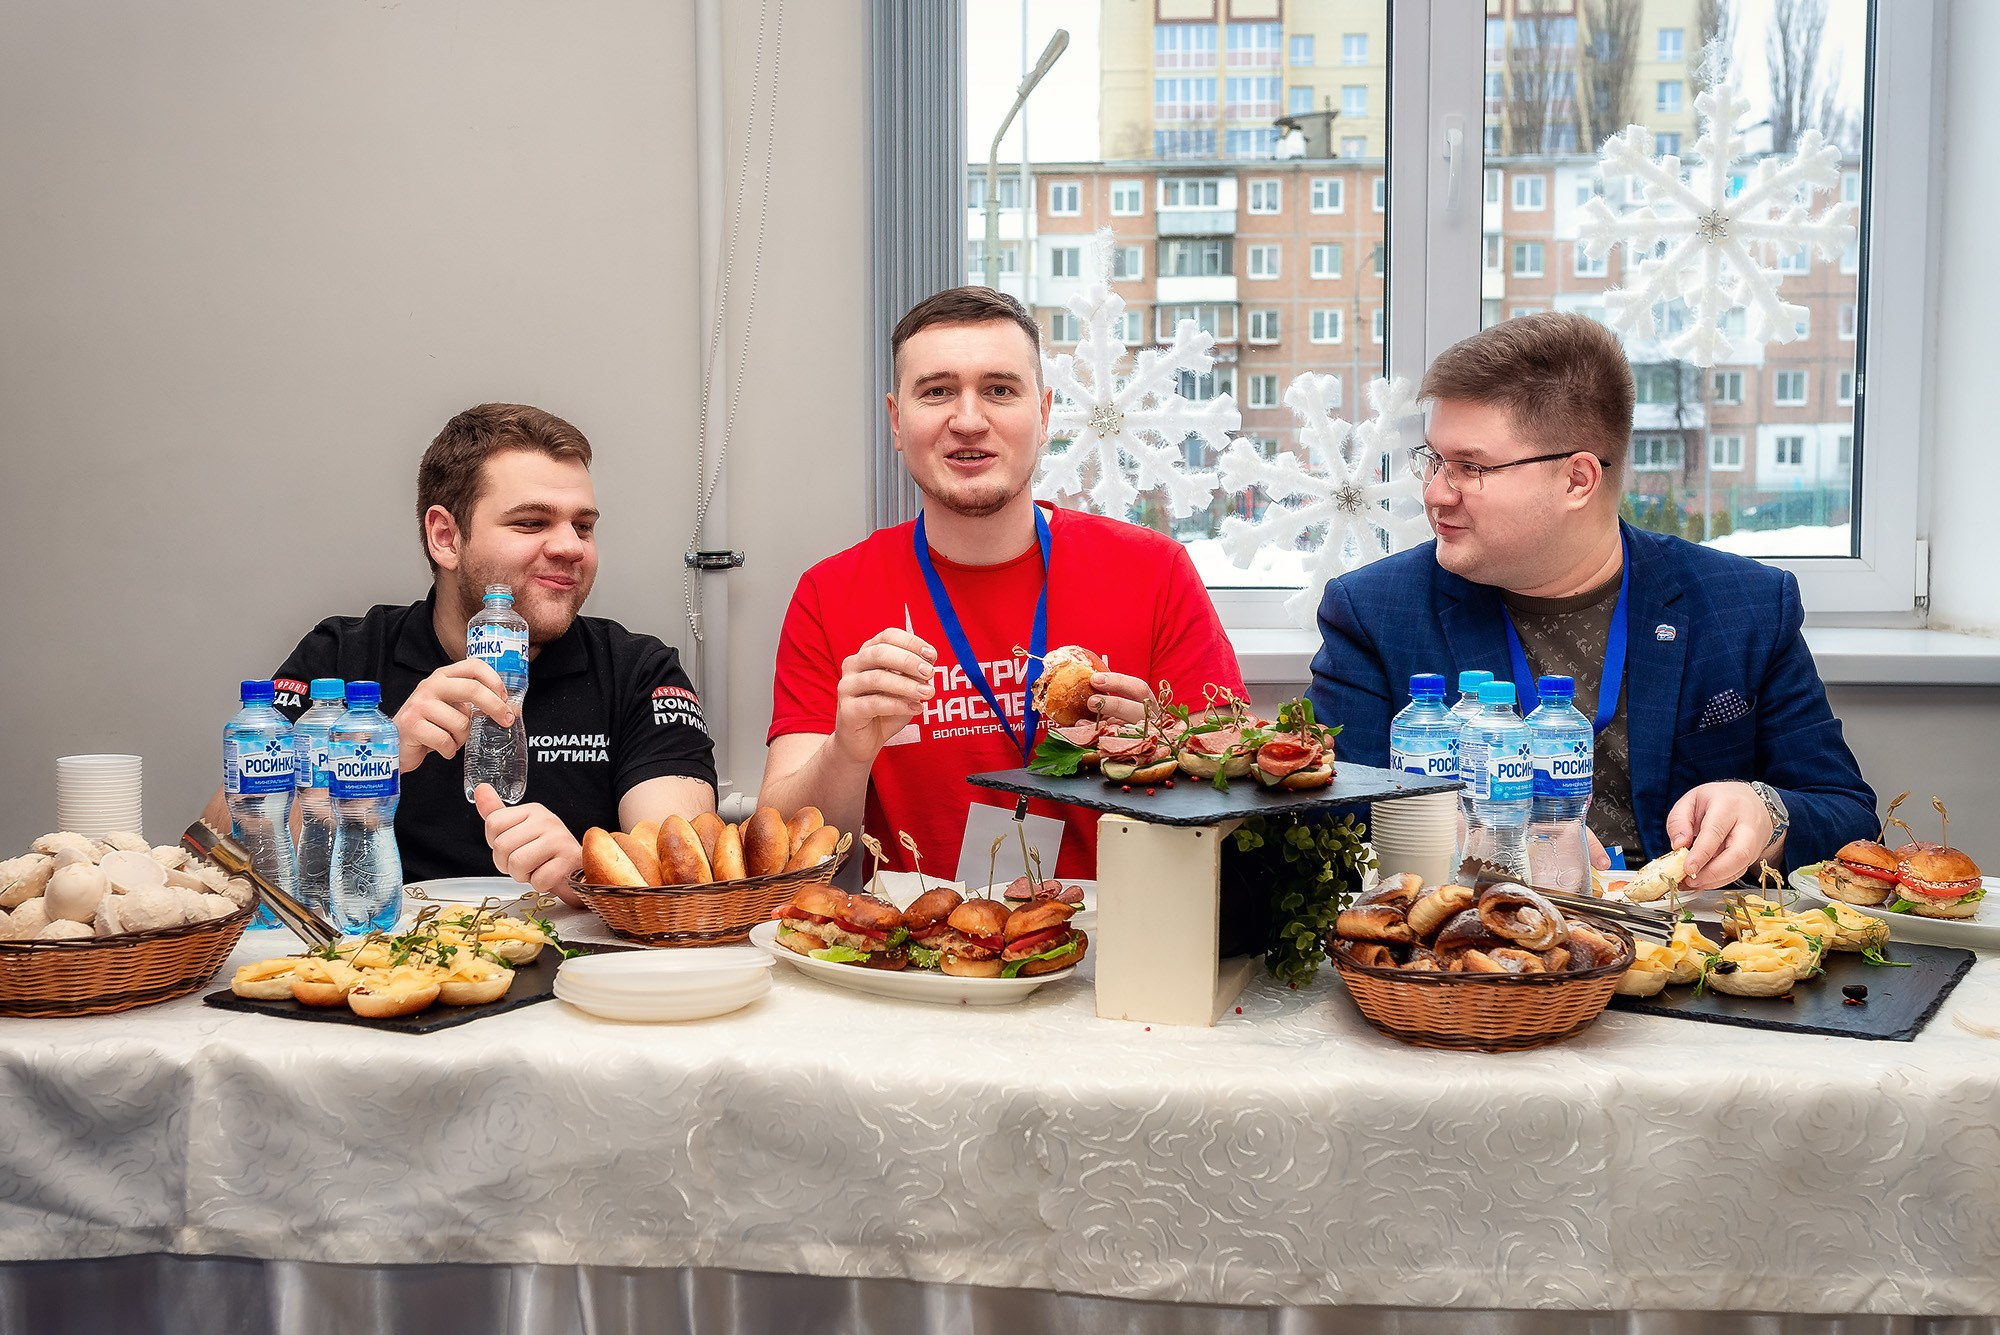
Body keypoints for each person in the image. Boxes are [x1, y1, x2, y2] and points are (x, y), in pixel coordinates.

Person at [1307, 313, 1876, 889]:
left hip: (1696, 953)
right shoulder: (1375, 613)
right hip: (1483, 956)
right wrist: (1475, 832)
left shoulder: (1746, 606)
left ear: (1579, 480)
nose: (1434, 493)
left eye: (1470, 467)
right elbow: (1320, 829)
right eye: (1433, 461)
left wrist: (1767, 814)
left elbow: (1849, 817)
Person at [761, 287, 1245, 880]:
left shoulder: (1153, 571)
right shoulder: (830, 593)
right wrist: (847, 750)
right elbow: (781, 844)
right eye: (937, 392)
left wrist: (1165, 749)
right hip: (919, 954)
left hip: (1125, 945)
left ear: (1043, 416)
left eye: (999, 390)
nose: (968, 421)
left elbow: (1243, 808)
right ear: (895, 421)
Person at [203, 403, 716, 899]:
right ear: (445, 536)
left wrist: (586, 874)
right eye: (532, 523)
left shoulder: (638, 669)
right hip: (381, 967)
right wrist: (372, 761)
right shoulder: (342, 660)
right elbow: (217, 859)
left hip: (575, 968)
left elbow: (684, 872)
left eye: (583, 526)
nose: (571, 547)